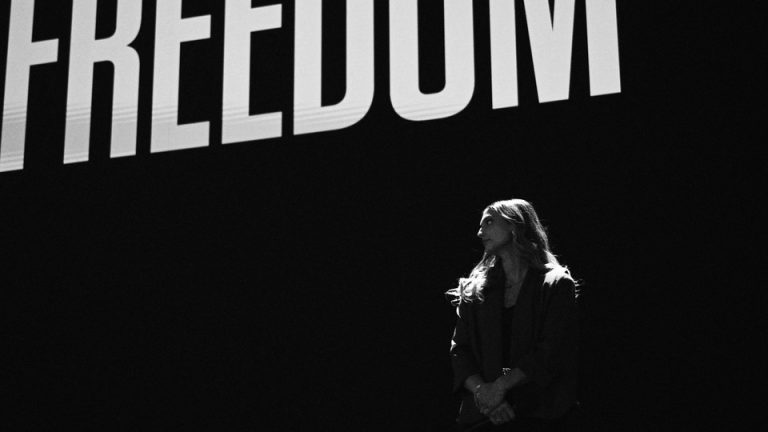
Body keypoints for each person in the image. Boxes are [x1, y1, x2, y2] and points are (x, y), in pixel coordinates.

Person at [446, 199, 581, 431]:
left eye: (488, 222)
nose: (480, 232)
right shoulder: (475, 289)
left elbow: (551, 349)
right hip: (483, 416)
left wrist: (501, 388)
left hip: (541, 413)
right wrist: (485, 394)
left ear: (514, 225)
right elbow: (460, 350)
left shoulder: (555, 284)